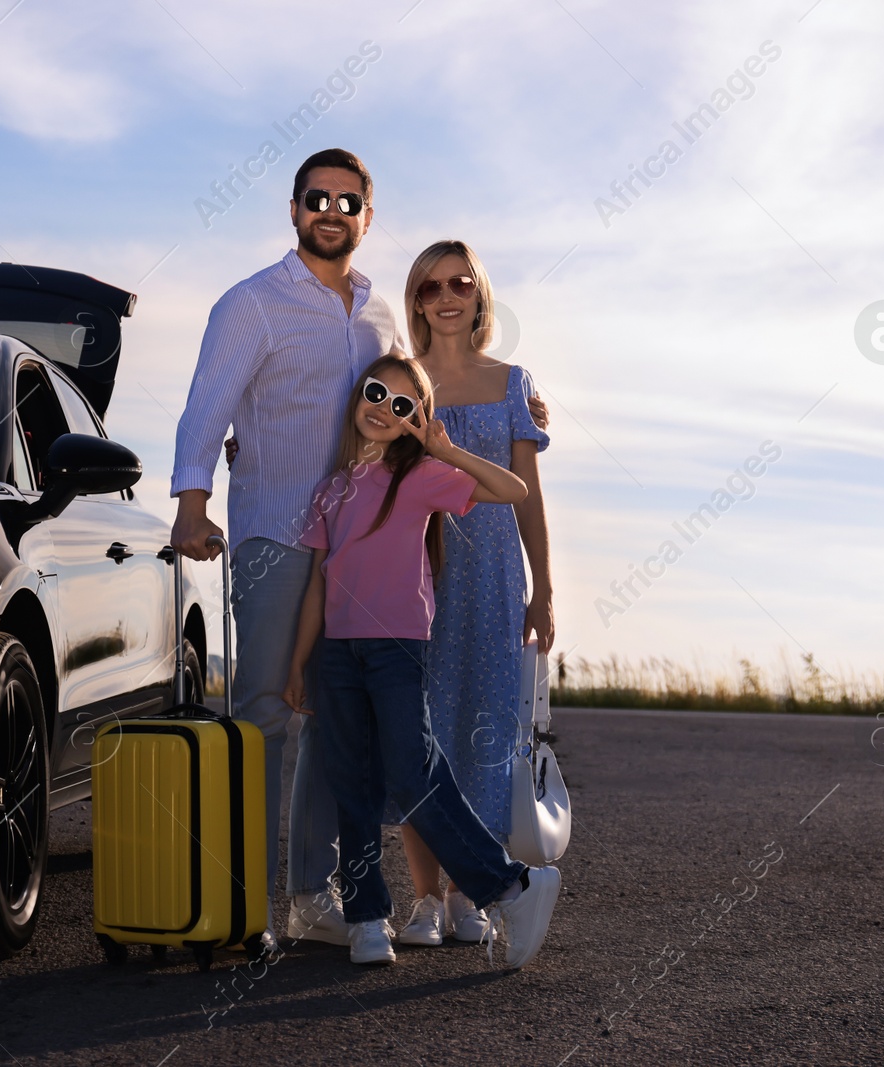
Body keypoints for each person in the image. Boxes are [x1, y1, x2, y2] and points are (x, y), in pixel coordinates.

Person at [169, 148, 398, 948]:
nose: (330, 212)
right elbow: (207, 407)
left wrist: (515, 393)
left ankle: (311, 897)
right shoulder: (252, 303)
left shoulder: (379, 313)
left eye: (347, 201)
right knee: (263, 713)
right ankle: (244, 907)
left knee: (336, 721)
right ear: (293, 208)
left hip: (356, 549)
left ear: (368, 215)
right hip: (272, 533)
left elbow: (411, 400)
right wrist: (191, 506)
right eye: (316, 199)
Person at [281, 354, 561, 968]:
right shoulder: (332, 488)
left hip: (398, 649)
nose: (385, 409)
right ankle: (365, 919)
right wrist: (300, 661)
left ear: (419, 421)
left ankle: (510, 885)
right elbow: (319, 586)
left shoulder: (424, 476)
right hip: (337, 653)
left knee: (413, 776)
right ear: (359, 396)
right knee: (353, 783)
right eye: (378, 394)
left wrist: (446, 449)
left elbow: (511, 490)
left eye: (404, 405)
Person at [390, 240, 556, 947]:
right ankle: (425, 897)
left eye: (461, 283)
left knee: (485, 734)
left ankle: (468, 893)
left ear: (480, 295)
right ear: (417, 301)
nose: (447, 296)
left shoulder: (513, 382)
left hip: (492, 579)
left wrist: (542, 586)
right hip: (416, 575)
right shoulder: (400, 380)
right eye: (430, 288)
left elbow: (530, 496)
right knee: (421, 732)